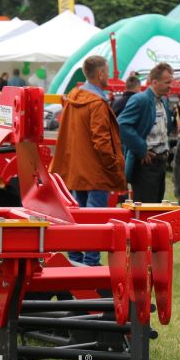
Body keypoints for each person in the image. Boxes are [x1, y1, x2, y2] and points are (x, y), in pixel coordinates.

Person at [51, 55, 126, 266]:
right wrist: (113, 165)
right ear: (100, 74)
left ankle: (75, 259)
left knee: (77, 219)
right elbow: (101, 141)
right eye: (107, 71)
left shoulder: (74, 96)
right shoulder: (96, 103)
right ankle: (91, 263)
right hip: (95, 173)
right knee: (94, 220)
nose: (109, 75)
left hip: (77, 169)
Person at [118, 63, 174, 203]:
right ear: (154, 82)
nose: (170, 86)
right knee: (146, 211)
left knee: (155, 208)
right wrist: (141, 149)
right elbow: (122, 125)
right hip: (146, 166)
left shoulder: (164, 101)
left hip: (159, 164)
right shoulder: (140, 99)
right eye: (167, 82)